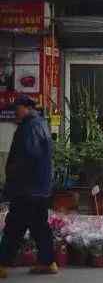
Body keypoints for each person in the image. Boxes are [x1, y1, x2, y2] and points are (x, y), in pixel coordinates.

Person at [0, 95, 57, 277]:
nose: (14, 113)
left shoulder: (29, 127)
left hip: (26, 189)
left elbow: (27, 158)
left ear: (26, 108)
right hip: (39, 188)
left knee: (14, 227)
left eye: (16, 109)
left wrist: (12, 181)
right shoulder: (40, 124)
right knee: (39, 226)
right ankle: (48, 262)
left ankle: (2, 263)